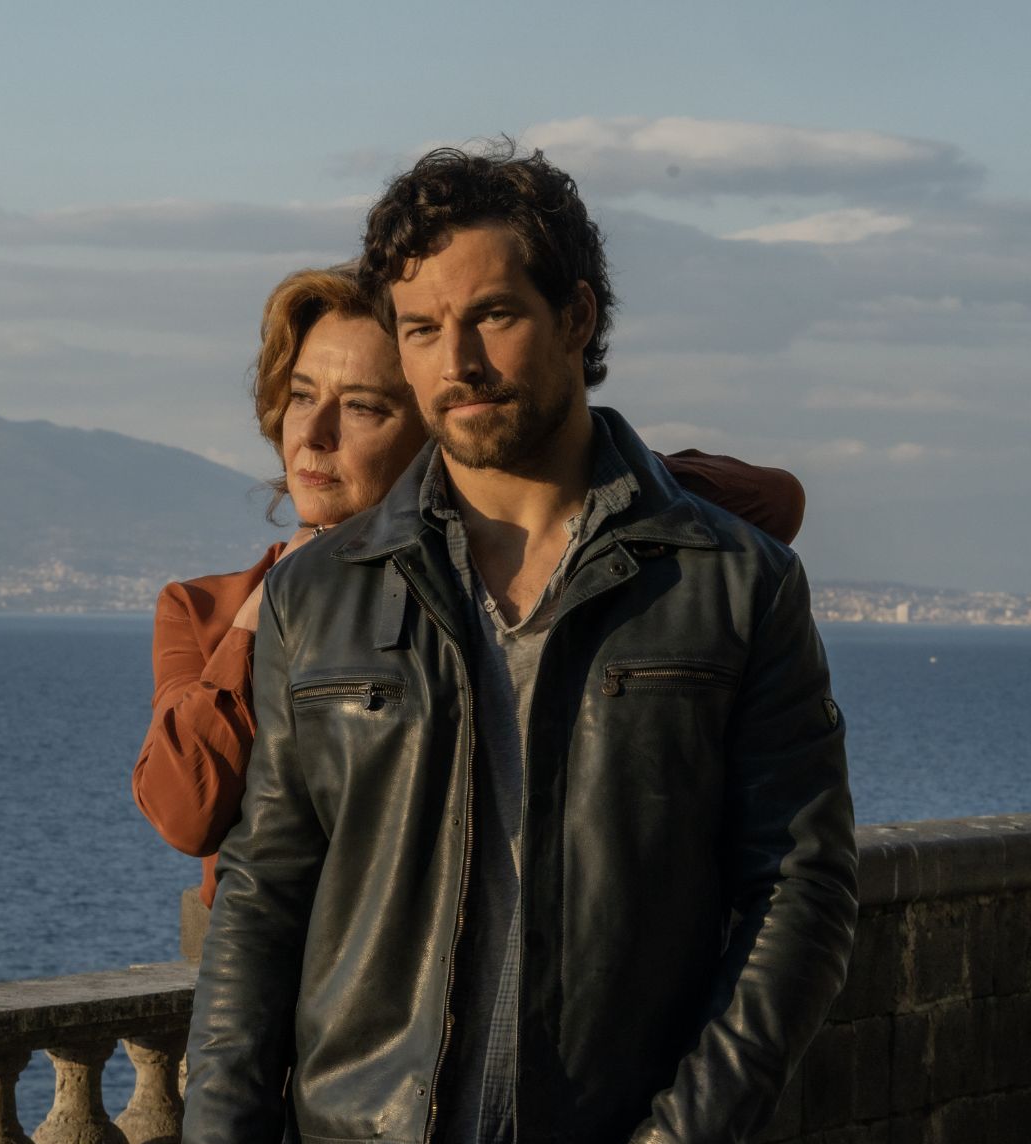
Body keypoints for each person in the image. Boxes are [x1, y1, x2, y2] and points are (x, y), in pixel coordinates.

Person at [179, 143, 857, 1144]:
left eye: (492, 314)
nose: (458, 361)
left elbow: (799, 889)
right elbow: (263, 897)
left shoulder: (728, 585)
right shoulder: (319, 598)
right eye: (423, 327)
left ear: (577, 315)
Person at [133, 267, 807, 960]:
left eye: (363, 407)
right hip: (302, 1023)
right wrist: (273, 593)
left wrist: (551, 461)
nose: (314, 433)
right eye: (301, 395)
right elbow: (184, 808)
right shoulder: (205, 609)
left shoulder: (483, 581)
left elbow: (774, 501)